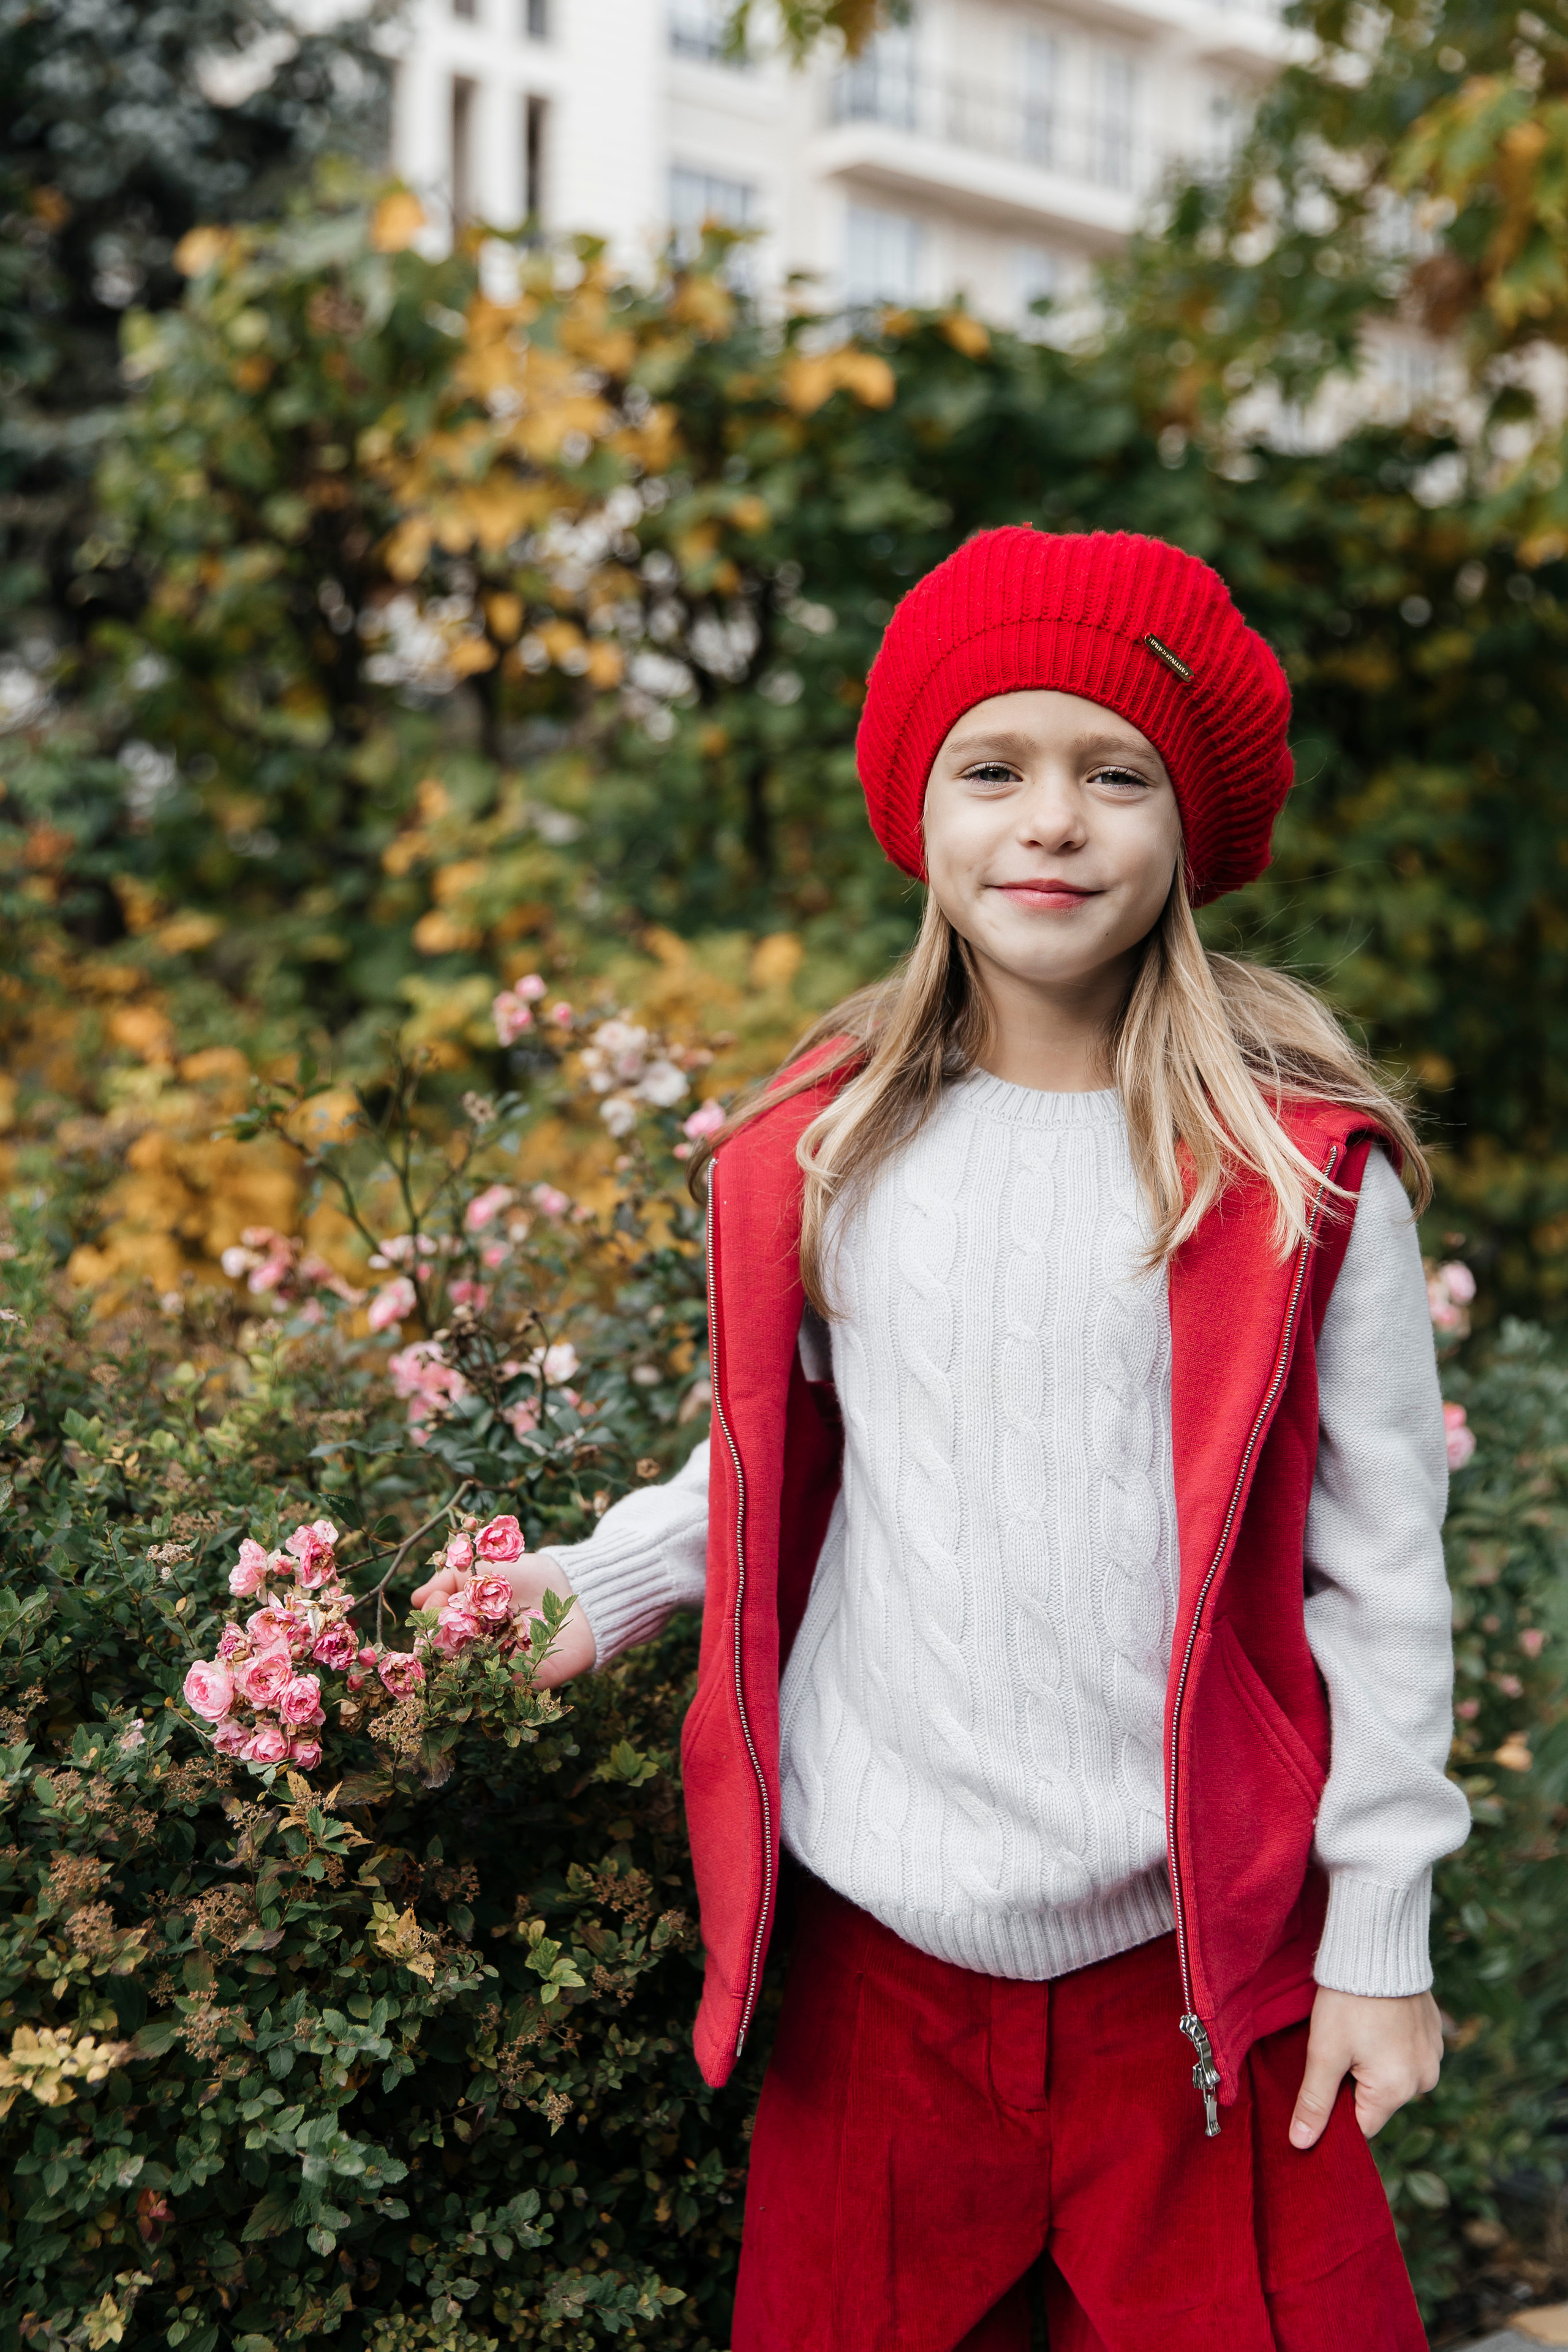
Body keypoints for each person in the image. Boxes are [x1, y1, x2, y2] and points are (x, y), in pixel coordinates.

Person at [415, 526, 1470, 2351]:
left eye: (1112, 775)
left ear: (1188, 828)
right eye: (997, 768)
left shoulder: (1294, 1183)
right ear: (923, 813)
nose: (1050, 822)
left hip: (1194, 1981)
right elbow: (773, 1458)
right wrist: (596, 1585)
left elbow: (1381, 1575)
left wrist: (1382, 1937)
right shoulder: (822, 1158)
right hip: (880, 1965)